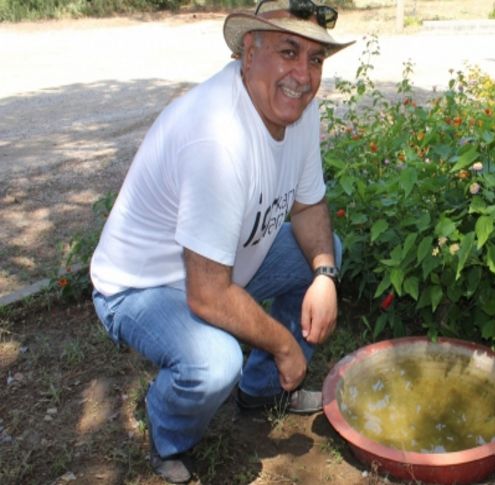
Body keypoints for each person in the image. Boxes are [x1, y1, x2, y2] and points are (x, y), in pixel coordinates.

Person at [89, 1, 354, 482]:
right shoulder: (217, 137)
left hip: (222, 263)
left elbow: (308, 206)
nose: (303, 74)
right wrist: (284, 346)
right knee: (214, 362)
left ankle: (261, 393)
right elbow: (207, 293)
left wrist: (324, 274)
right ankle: (168, 434)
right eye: (288, 51)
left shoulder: (298, 110)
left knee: (327, 250)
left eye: (315, 59)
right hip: (141, 286)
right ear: (247, 53)